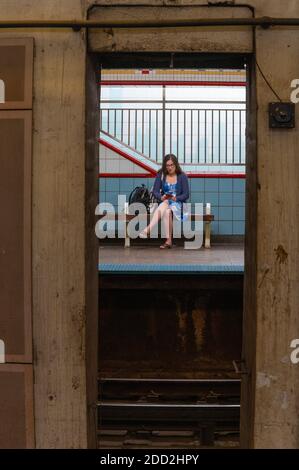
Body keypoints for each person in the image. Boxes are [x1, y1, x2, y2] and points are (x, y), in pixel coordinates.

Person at [139, 154, 189, 249]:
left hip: (179, 205)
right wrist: (161, 197)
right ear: (164, 166)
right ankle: (168, 241)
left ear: (176, 165)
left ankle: (148, 229)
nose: (170, 168)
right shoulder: (161, 175)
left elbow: (186, 194)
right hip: (165, 204)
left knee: (166, 204)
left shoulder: (182, 176)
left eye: (172, 165)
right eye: (167, 165)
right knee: (166, 211)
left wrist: (176, 198)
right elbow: (155, 191)